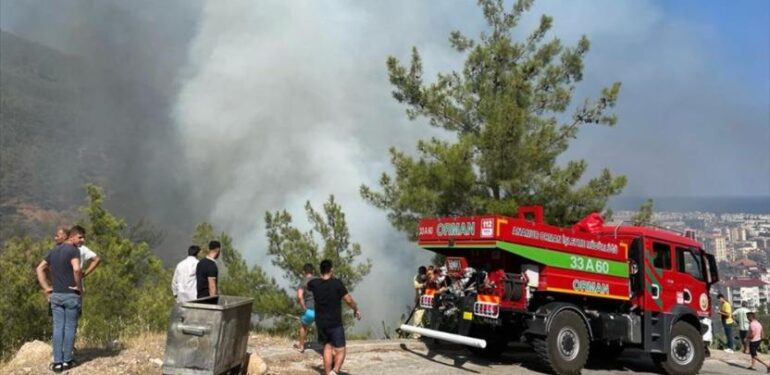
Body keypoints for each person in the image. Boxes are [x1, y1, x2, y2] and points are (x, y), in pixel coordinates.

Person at [36, 226, 84, 373]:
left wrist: (46, 288)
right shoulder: (73, 250)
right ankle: (67, 360)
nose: (82, 240)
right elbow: (77, 269)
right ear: (71, 237)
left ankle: (57, 363)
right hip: (70, 295)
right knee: (69, 327)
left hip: (56, 295)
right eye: (80, 237)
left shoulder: (54, 251)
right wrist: (79, 287)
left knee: (57, 328)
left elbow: (39, 268)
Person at [307, 260, 362, 375]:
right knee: (341, 349)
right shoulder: (337, 284)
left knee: (327, 347)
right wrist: (356, 308)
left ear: (320, 270)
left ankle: (328, 373)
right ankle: (335, 371)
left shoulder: (314, 283)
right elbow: (348, 300)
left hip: (321, 322)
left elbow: (307, 285)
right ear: (331, 269)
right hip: (334, 322)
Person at [295, 263, 317, 353]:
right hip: (321, 310)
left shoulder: (303, 283)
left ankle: (301, 346)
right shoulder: (319, 281)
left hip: (309, 309)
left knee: (303, 326)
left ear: (304, 272)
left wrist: (304, 308)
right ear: (313, 271)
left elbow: (300, 297)